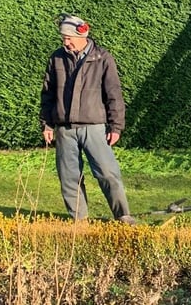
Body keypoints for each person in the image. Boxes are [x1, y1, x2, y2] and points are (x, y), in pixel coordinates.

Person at [40, 14, 135, 224]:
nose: (65, 42)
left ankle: (123, 216)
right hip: (64, 129)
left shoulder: (102, 58)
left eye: (68, 38)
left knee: (107, 173)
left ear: (81, 35)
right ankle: (79, 221)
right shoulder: (56, 58)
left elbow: (114, 94)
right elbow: (47, 94)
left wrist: (116, 127)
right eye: (63, 38)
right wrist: (47, 124)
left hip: (94, 127)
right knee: (69, 177)